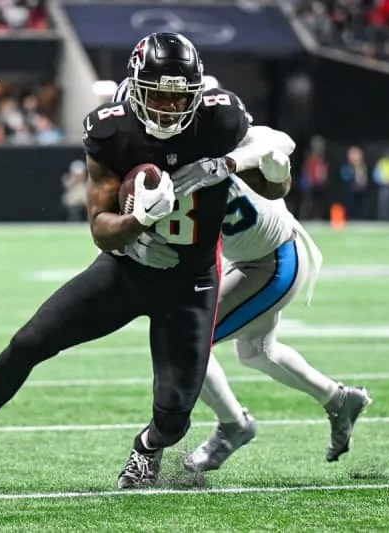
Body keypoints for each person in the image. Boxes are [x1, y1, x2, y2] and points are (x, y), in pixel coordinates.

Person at [0, 32, 290, 490]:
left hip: (190, 283)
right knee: (29, 341)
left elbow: (273, 169)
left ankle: (147, 447)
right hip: (127, 269)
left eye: (179, 97)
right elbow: (99, 227)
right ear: (136, 90)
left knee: (173, 418)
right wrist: (138, 223)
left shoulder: (219, 117)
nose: (169, 109)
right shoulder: (112, 129)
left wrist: (240, 167)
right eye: (158, 96)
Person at [110, 86, 372, 472]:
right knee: (256, 352)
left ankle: (233, 425)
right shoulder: (153, 162)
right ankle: (339, 400)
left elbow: (281, 142)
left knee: (185, 343)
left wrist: (228, 163)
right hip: (248, 260)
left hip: (275, 259)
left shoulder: (212, 134)